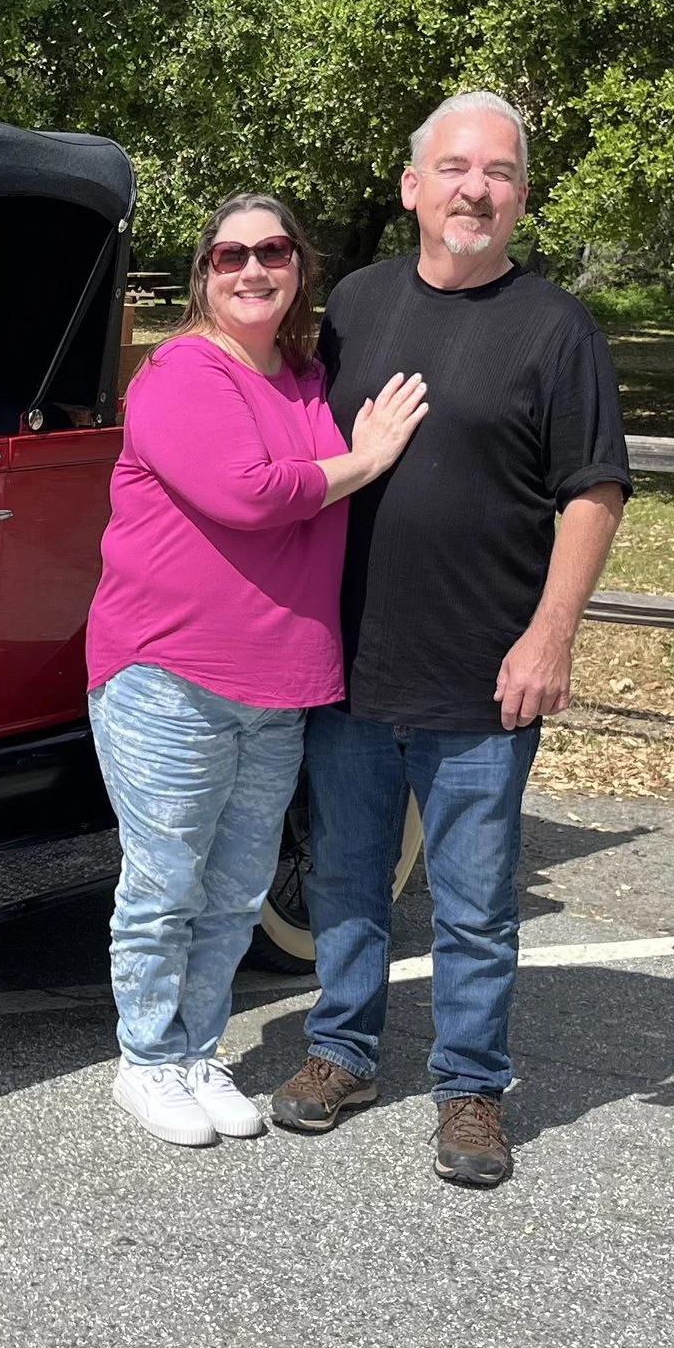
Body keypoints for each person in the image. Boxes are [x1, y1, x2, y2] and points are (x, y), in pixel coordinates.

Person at [268, 91, 633, 1187]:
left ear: (520, 196)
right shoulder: (356, 305)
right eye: (458, 168)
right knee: (345, 874)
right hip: (350, 658)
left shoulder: (556, 327)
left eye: (501, 173)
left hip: (486, 668)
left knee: (472, 899)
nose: (478, 189)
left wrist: (549, 636)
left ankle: (471, 1085)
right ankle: (342, 1049)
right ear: (412, 186)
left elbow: (594, 491)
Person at [88, 193, 428, 1147]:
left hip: (280, 682)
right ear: (204, 273)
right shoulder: (181, 374)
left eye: (272, 251)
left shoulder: (306, 379)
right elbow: (249, 494)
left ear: (298, 269)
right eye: (230, 254)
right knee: (165, 882)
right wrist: (365, 461)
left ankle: (198, 1049)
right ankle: (147, 1060)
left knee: (237, 888)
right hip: (169, 676)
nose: (251, 269)